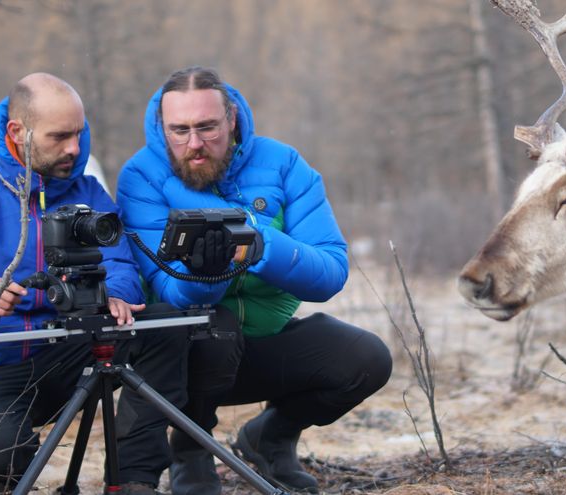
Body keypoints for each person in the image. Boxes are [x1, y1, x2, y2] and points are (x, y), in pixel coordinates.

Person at [0, 73, 186, 495]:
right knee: (1, 457)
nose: (74, 148)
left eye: (79, 134)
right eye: (59, 137)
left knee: (164, 327)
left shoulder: (88, 192)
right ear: (18, 131)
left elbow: (119, 263)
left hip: (70, 351)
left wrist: (117, 294)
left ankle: (133, 478)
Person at [117, 66, 393, 494]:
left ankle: (271, 436)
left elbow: (331, 272)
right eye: (180, 130)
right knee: (214, 325)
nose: (194, 143)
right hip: (187, 358)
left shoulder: (283, 163)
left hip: (266, 340)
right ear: (162, 127)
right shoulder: (142, 176)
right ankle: (191, 450)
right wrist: (205, 273)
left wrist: (260, 246)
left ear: (231, 119)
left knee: (366, 359)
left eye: (207, 127)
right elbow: (166, 288)